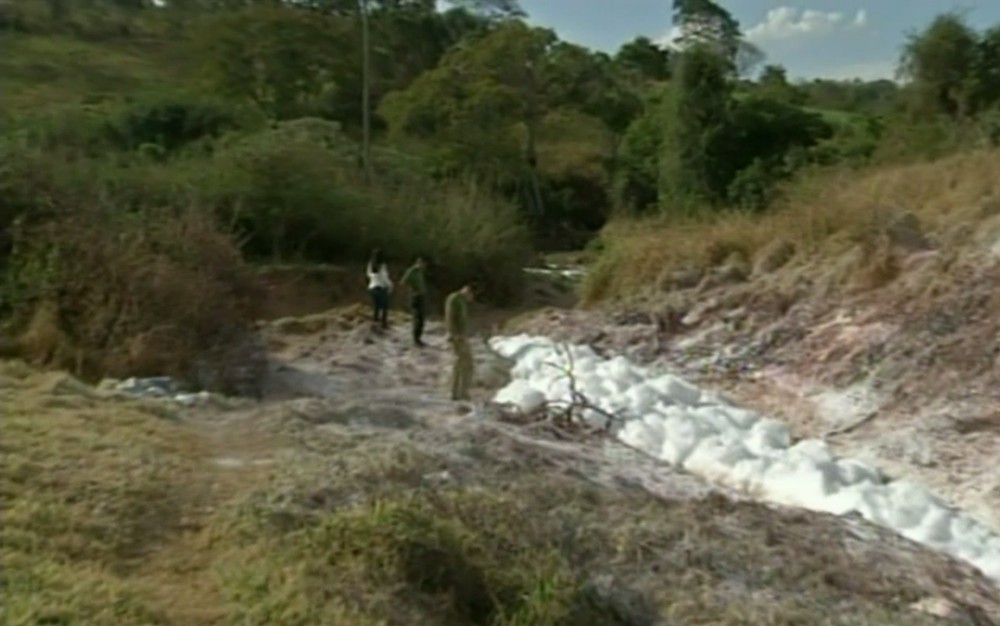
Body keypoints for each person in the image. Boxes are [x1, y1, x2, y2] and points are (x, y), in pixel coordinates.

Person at [444, 283, 475, 401]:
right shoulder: (454, 299)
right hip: (457, 337)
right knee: (462, 363)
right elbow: (450, 317)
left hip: (461, 336)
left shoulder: (461, 300)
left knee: (465, 364)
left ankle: (460, 392)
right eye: (471, 296)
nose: (471, 300)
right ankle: (458, 393)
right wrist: (453, 334)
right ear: (467, 291)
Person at [400, 255, 429, 347]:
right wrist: (412, 290)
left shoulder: (420, 272)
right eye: (423, 264)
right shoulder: (412, 271)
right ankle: (416, 340)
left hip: (421, 296)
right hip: (415, 296)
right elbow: (403, 282)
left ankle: (418, 338)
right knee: (417, 318)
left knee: (421, 318)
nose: (424, 266)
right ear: (419, 262)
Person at [366, 248, 392, 330]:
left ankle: (375, 323)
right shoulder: (382, 266)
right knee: (385, 307)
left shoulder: (370, 264)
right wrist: (390, 285)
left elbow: (368, 275)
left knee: (376, 307)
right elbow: (384, 278)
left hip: (372, 287)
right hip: (381, 287)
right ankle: (384, 324)